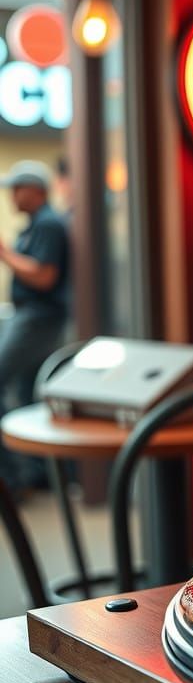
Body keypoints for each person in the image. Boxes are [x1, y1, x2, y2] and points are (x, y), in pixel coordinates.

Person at [0, 160, 70, 495]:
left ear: (36, 191)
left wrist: (5, 254)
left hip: (39, 319)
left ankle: (11, 478)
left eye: (17, 188)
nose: (12, 196)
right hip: (28, 316)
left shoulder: (48, 224)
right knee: (29, 397)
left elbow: (44, 276)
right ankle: (35, 475)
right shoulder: (33, 225)